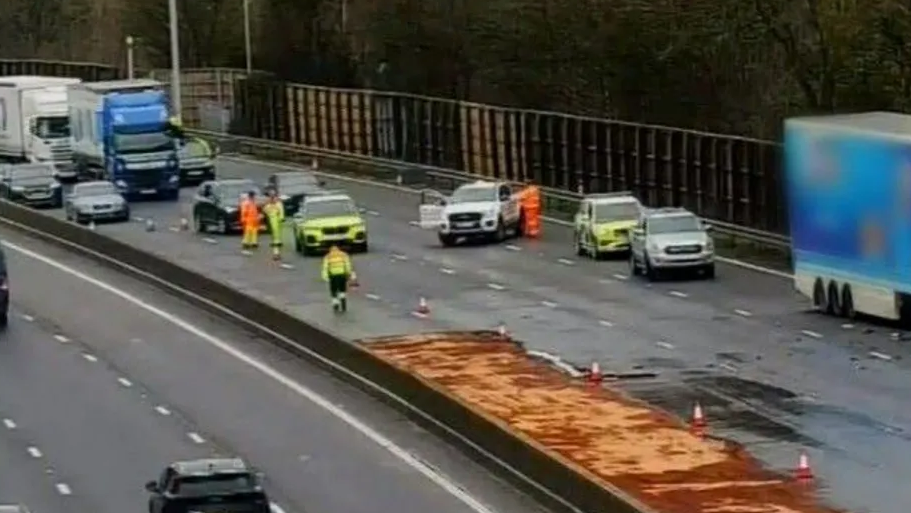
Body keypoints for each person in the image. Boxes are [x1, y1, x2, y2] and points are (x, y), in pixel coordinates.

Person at [321, 245, 356, 312]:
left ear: (330, 250)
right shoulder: (343, 255)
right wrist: (349, 273)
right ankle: (343, 301)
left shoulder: (328, 256)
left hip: (333, 276)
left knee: (333, 291)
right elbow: (347, 265)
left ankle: (335, 304)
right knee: (342, 289)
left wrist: (325, 277)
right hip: (342, 275)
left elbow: (325, 268)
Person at [263, 189, 285, 260]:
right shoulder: (268, 204)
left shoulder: (278, 203)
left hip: (277, 219)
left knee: (277, 232)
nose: (272, 198)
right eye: (271, 196)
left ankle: (277, 243)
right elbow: (265, 210)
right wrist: (269, 213)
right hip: (272, 219)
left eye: (273, 196)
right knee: (274, 232)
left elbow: (281, 211)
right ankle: (276, 245)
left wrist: (281, 218)